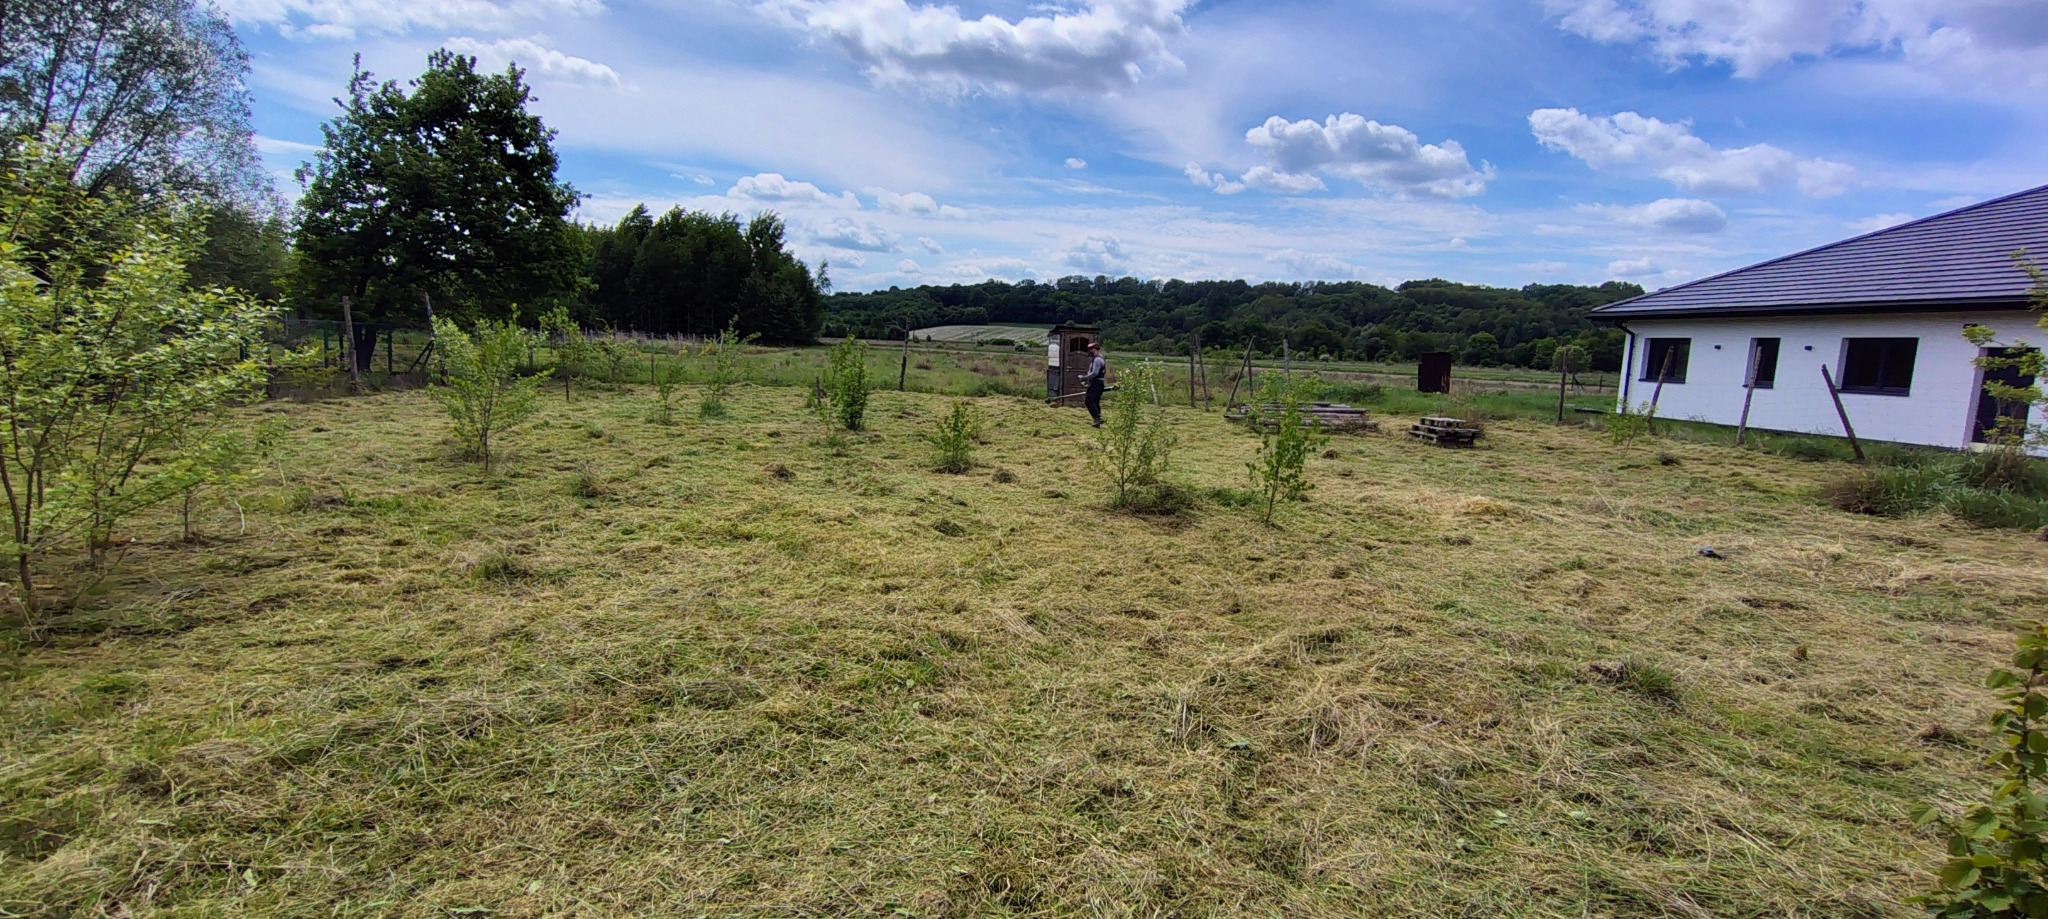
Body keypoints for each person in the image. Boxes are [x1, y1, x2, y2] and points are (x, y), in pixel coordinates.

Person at [1079, 341, 1107, 427]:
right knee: (1095, 402)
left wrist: (1084, 378)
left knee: (1089, 400)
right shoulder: (1100, 358)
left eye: (1090, 350)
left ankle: (1098, 418)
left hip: (1096, 383)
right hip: (1099, 383)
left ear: (1094, 349)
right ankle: (1097, 422)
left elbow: (1094, 373)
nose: (1089, 352)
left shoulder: (1097, 359)